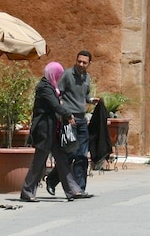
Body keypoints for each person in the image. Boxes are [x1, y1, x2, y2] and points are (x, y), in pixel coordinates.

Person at [20, 62, 82, 202]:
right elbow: (54, 105)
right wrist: (68, 114)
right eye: (58, 75)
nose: (59, 78)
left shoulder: (51, 87)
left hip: (53, 130)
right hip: (44, 130)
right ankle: (27, 191)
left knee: (61, 159)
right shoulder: (44, 87)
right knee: (39, 161)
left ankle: (72, 189)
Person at [46, 50, 100, 196]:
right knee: (71, 154)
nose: (81, 64)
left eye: (84, 62)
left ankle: (79, 188)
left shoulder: (87, 77)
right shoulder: (68, 75)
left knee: (82, 156)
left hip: (82, 120)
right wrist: (64, 112)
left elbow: (85, 95)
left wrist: (91, 100)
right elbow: (58, 93)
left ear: (89, 64)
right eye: (79, 61)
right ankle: (52, 179)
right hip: (69, 120)